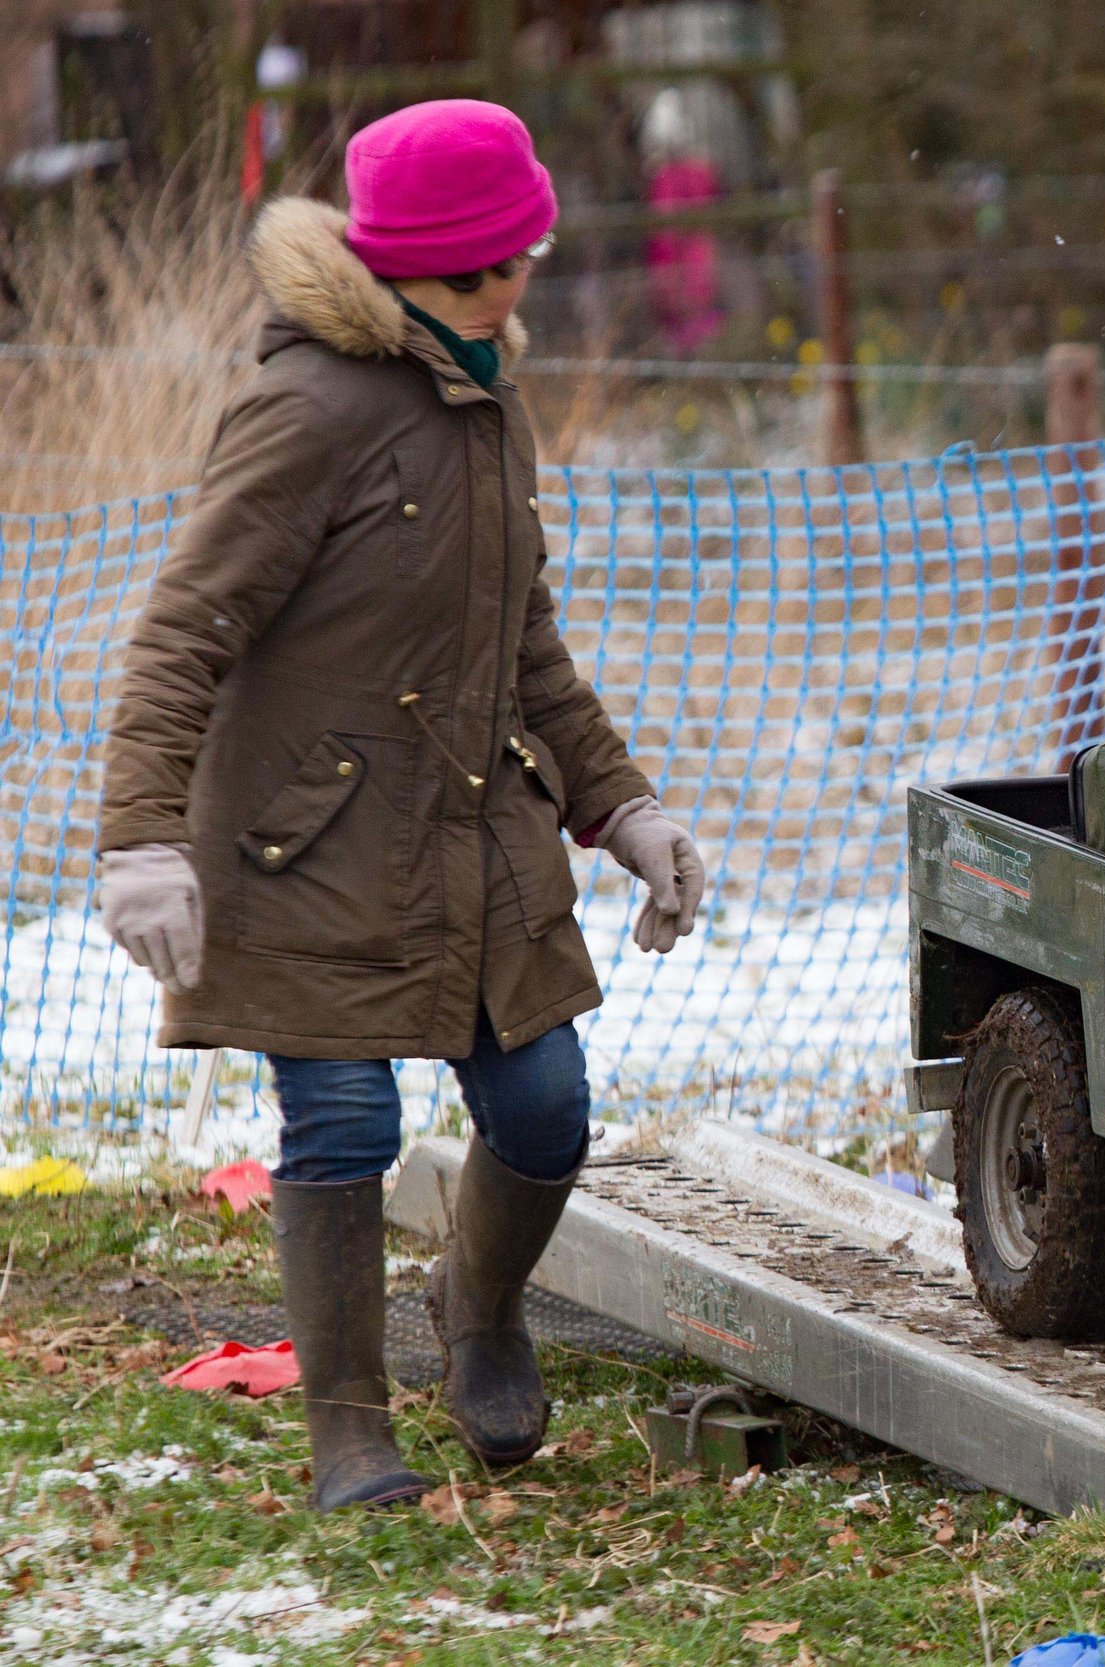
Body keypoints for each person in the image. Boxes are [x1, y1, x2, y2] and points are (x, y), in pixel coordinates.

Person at [94, 100, 706, 1512]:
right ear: (433, 266)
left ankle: (479, 1313)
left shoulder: (489, 392)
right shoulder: (306, 407)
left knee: (547, 1106)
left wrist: (624, 806)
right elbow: (181, 627)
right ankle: (350, 1427)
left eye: (525, 253)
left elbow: (526, 639)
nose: (523, 280)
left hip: (475, 831)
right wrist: (139, 839)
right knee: (344, 1130)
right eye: (500, 259)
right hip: (300, 838)